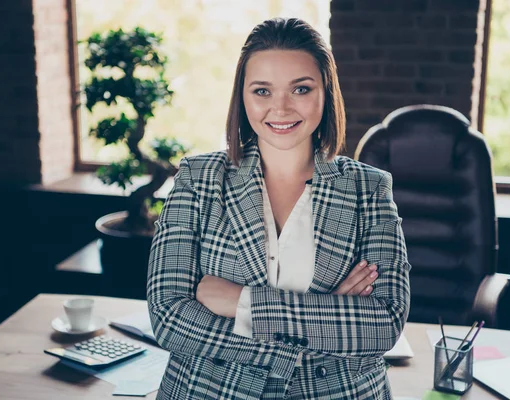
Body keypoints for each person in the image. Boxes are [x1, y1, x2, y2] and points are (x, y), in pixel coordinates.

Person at [147, 17, 411, 400]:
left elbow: (384, 323)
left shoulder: (368, 188)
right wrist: (327, 315)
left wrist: (244, 303)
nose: (281, 109)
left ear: (326, 93)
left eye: (301, 89)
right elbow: (169, 318)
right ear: (243, 97)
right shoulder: (198, 178)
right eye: (262, 91)